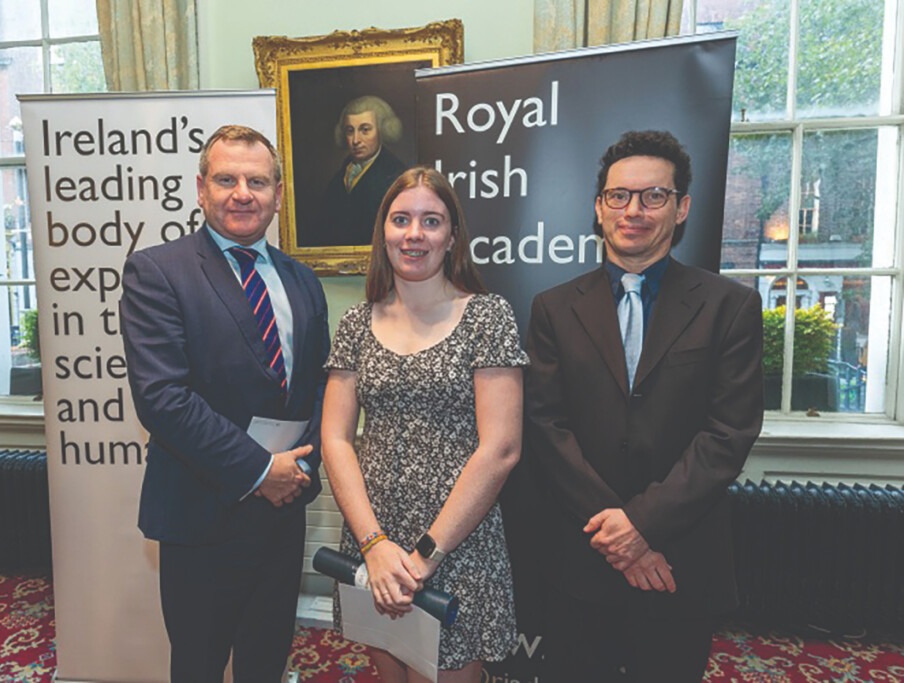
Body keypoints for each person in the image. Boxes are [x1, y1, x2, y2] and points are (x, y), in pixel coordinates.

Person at [524, 130, 764, 682]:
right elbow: (546, 427)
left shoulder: (730, 307)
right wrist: (622, 538)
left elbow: (728, 433)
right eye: (619, 196)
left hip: (678, 563)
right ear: (598, 207)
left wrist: (643, 525)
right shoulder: (553, 309)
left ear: (681, 208)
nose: (633, 210)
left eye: (653, 196)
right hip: (581, 562)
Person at [119, 125, 330, 682]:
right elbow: (162, 399)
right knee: (198, 666)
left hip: (282, 515)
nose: (243, 193)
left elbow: (319, 386)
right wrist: (260, 469)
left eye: (257, 181)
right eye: (227, 179)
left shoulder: (303, 282)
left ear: (278, 195)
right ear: (200, 188)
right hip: (201, 515)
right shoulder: (157, 272)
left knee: (267, 662)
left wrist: (299, 467)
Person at [321, 166, 526, 681]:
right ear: (383, 232)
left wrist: (423, 557)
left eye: (431, 221)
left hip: (457, 547)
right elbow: (335, 439)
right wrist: (375, 546)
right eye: (401, 220)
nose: (414, 234)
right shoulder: (354, 323)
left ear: (452, 235)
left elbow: (500, 448)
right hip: (373, 543)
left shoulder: (487, 317)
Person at [312, 95, 407, 247]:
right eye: (350, 131)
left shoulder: (395, 175)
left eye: (365, 130)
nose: (356, 140)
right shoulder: (342, 174)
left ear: (382, 131)